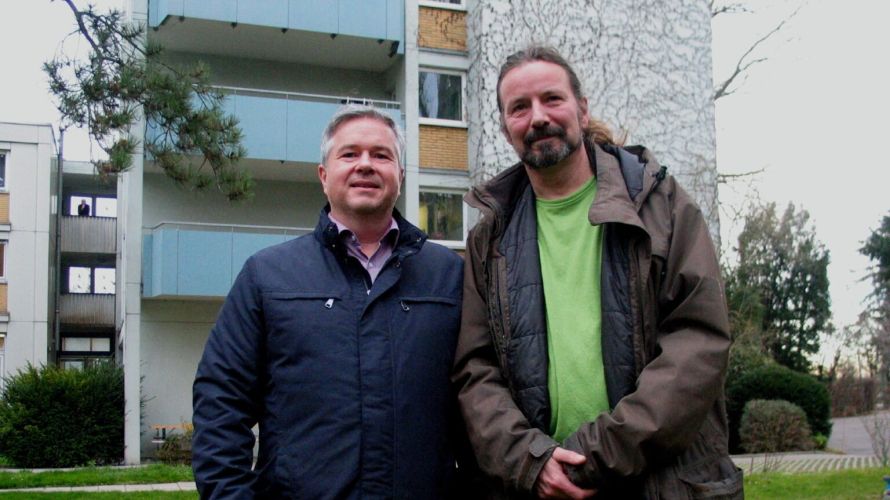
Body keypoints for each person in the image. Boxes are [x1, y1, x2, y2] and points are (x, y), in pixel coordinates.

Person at [452, 46, 742, 499]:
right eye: (520, 107)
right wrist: (532, 460)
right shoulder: (489, 238)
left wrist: (594, 456)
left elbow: (698, 343)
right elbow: (476, 369)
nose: (538, 117)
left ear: (582, 110)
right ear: (506, 128)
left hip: (660, 482)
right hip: (540, 487)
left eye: (552, 99)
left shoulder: (660, 204)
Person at [193, 105, 466, 498]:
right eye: (349, 154)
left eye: (381, 155)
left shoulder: (449, 276)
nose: (365, 165)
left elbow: (476, 404)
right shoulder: (267, 276)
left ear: (401, 176)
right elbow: (221, 403)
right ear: (324, 176)